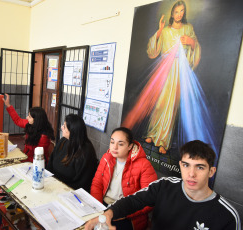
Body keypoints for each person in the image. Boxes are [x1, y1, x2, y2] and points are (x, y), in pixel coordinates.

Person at [122, 1, 217, 155]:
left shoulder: (188, 28)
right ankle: (152, 134)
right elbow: (153, 52)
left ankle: (163, 141)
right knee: (159, 103)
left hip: (178, 71)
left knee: (171, 106)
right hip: (163, 70)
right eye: (177, 11)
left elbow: (196, 49)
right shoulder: (166, 30)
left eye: (182, 11)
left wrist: (192, 43)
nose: (179, 14)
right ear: (172, 13)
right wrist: (159, 31)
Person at [85, 140, 241, 230]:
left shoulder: (226, 216)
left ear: (211, 171)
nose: (191, 174)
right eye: (186, 165)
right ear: (180, 165)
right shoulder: (165, 186)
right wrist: (109, 213)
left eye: (200, 167)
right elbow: (133, 201)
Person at [90, 127, 157, 230]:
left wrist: (123, 213)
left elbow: (150, 200)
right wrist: (98, 209)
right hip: (104, 207)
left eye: (120, 144)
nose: (114, 147)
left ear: (130, 146)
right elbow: (97, 184)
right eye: (112, 142)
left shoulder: (144, 165)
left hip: (128, 214)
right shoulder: (106, 158)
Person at [46, 114, 97, 192]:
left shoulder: (86, 152)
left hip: (68, 191)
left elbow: (81, 183)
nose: (62, 127)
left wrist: (60, 188)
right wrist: (47, 178)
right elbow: (51, 163)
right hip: (52, 184)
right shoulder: (63, 141)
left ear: (72, 131)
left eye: (65, 126)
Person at [2, 93, 55, 163]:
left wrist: (20, 158)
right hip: (26, 157)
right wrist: (8, 105)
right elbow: (18, 120)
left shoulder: (44, 136)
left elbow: (36, 155)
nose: (27, 118)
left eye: (29, 116)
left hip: (36, 162)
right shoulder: (30, 124)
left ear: (36, 119)